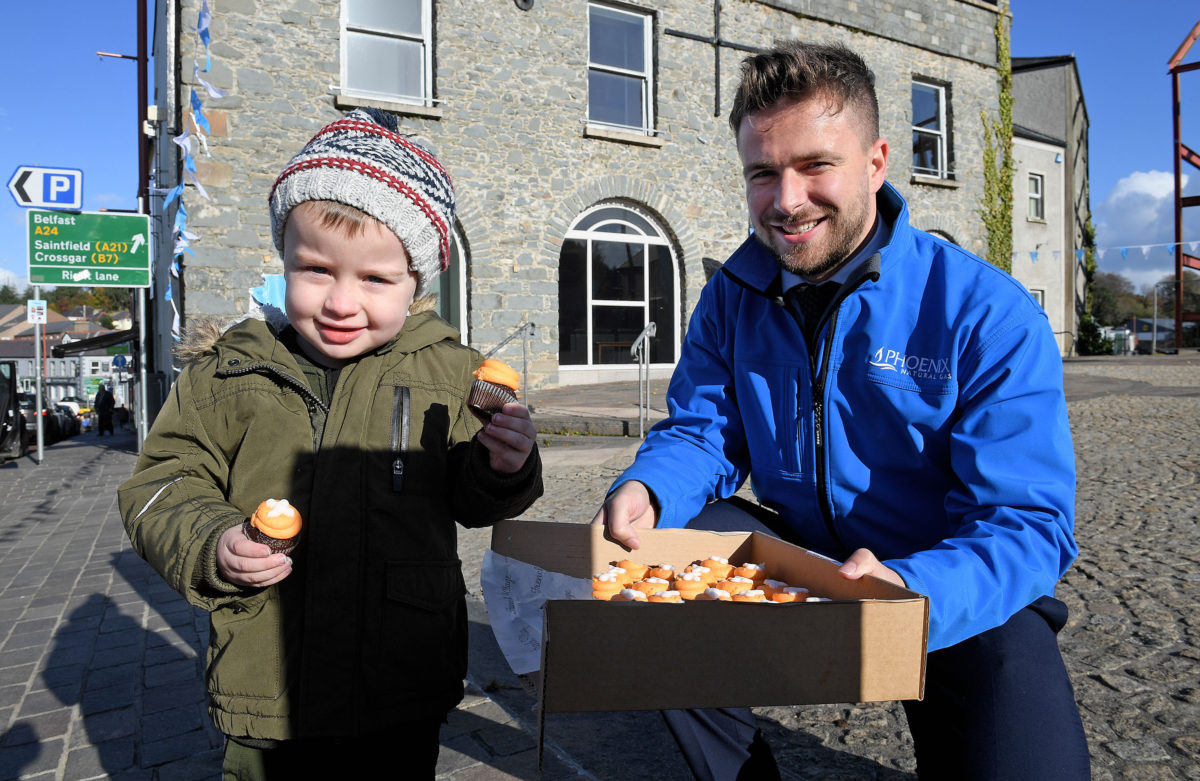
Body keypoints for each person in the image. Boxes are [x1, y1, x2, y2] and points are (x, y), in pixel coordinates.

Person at [592, 41, 1088, 780]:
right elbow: (705, 430)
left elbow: (1028, 523)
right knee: (652, 559)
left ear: (877, 161)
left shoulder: (986, 312)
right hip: (804, 557)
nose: (786, 200)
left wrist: (915, 593)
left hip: (943, 583)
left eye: (815, 165)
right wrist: (651, 487)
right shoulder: (733, 293)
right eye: (763, 172)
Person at [118, 108, 543, 779]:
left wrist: (501, 462)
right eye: (316, 269)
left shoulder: (449, 373)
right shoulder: (229, 371)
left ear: (416, 285)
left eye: (375, 279)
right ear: (283, 259)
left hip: (401, 686)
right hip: (267, 693)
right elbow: (161, 481)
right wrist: (212, 540)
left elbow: (474, 498)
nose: (342, 301)